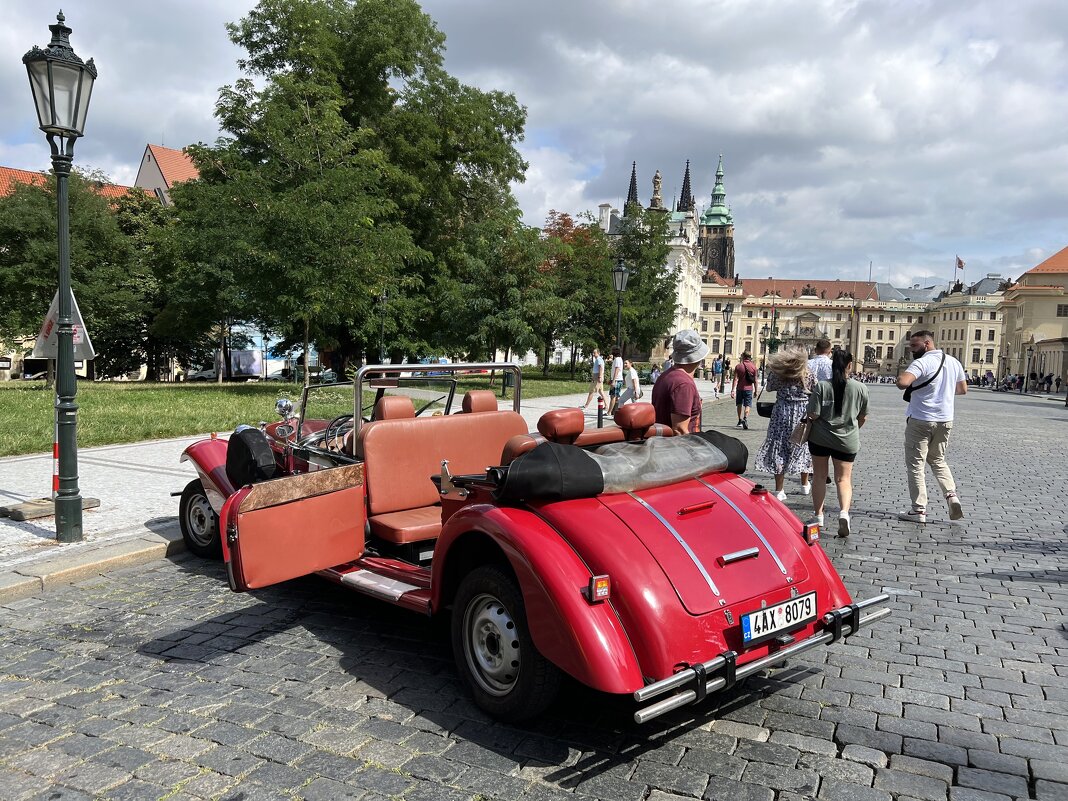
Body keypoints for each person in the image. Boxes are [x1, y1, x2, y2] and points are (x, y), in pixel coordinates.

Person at [896, 330, 967, 523]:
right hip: (945, 420)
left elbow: (903, 383)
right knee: (937, 459)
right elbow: (962, 389)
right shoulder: (953, 362)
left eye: (914, 346)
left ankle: (918, 510)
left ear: (927, 344)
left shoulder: (922, 362)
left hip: (920, 419)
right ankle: (952, 496)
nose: (911, 350)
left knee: (916, 465)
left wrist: (902, 378)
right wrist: (941, 390)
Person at [806, 350, 868, 537]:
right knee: (844, 479)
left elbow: (813, 414)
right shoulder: (860, 388)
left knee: (819, 476)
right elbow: (862, 417)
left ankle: (818, 516)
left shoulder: (822, 386)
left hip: (820, 438)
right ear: (850, 366)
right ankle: (844, 513)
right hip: (847, 439)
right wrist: (852, 429)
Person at [754, 347, 813, 500]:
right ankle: (804, 484)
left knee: (779, 447)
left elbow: (769, 387)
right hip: (801, 413)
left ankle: (779, 490)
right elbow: (815, 389)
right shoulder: (807, 373)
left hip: (782, 411)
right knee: (802, 446)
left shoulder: (778, 373)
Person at [651, 330, 707, 435]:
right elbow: (679, 430)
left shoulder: (666, 375)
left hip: (661, 444)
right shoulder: (684, 384)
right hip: (678, 448)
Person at [730, 351, 759, 429]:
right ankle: (745, 418)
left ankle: (739, 420)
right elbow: (755, 380)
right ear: (750, 357)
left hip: (739, 388)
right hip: (749, 389)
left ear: (743, 356)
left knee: (739, 404)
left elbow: (735, 379)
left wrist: (732, 390)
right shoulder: (754, 367)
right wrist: (756, 391)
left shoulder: (738, 366)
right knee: (748, 405)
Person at [607, 347, 625, 414]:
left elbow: (617, 370)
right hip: (618, 379)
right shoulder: (619, 359)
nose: (611, 352)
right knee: (616, 396)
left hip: (617, 380)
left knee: (613, 396)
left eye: (612, 351)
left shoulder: (617, 359)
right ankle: (615, 411)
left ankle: (609, 412)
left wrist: (613, 380)